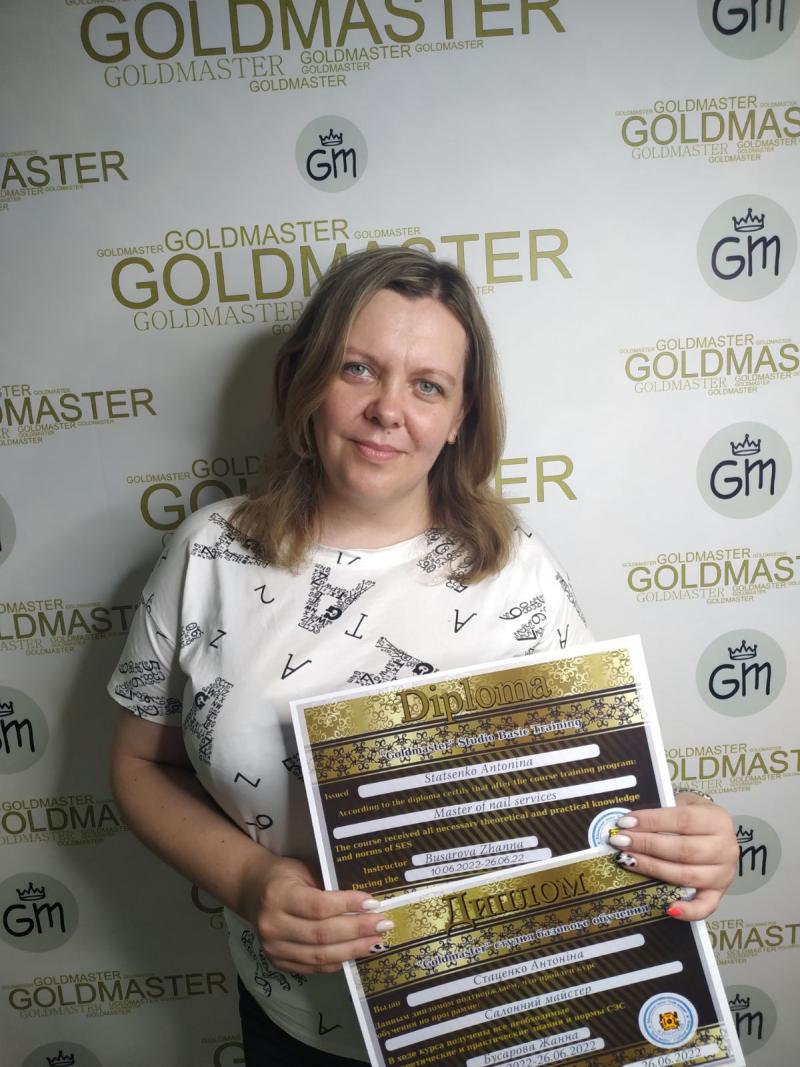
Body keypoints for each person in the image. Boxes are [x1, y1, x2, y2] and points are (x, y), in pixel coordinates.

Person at [109, 247, 738, 1065]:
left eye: (427, 385)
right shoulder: (209, 552)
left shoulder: (515, 569)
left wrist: (690, 830)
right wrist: (249, 881)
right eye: (358, 369)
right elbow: (137, 763)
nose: (388, 410)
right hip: (300, 1025)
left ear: (460, 415)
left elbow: (600, 785)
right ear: (305, 379)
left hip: (506, 1019)